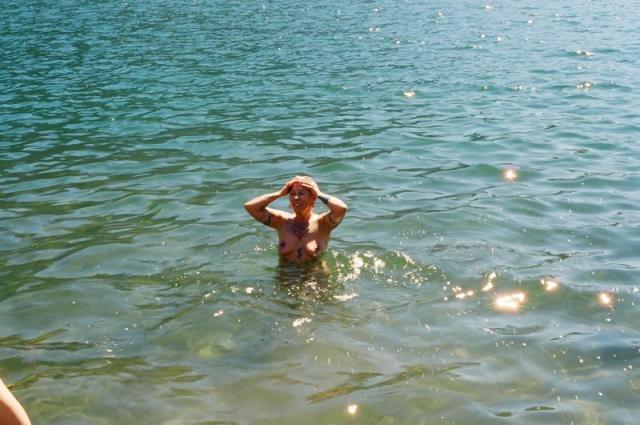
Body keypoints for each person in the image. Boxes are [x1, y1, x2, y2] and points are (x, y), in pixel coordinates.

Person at [244, 175, 347, 263]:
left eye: (301, 193)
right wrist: (280, 193)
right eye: (292, 194)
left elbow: (341, 209)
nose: (296, 198)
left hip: (316, 277)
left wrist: (319, 193)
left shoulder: (323, 223)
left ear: (312, 197)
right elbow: (251, 206)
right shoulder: (281, 221)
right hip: (286, 276)